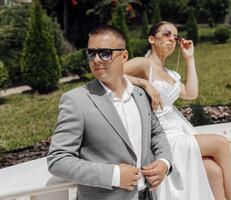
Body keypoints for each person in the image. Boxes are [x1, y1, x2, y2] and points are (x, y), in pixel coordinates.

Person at [47, 25, 174, 200]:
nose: (96, 60)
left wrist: (164, 162)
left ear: (124, 56)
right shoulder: (76, 101)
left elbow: (157, 133)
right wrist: (114, 175)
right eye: (91, 53)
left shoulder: (140, 94)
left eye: (105, 53)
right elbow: (58, 160)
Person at [124, 21, 231, 200]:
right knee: (221, 144)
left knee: (213, 171)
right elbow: (111, 73)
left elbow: (191, 93)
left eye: (175, 37)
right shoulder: (143, 64)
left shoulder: (171, 74)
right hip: (163, 137)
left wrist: (189, 58)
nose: (172, 39)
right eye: (167, 34)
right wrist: (143, 82)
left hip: (178, 132)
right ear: (152, 39)